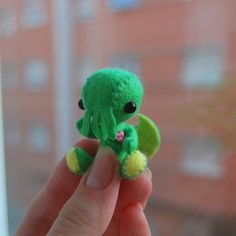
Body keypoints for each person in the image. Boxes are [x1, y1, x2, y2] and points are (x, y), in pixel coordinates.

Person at [16, 139, 152, 236]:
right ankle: (81, 161)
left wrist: (128, 142)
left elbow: (132, 138)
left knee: (134, 165)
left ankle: (131, 164)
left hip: (122, 160)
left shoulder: (125, 130)